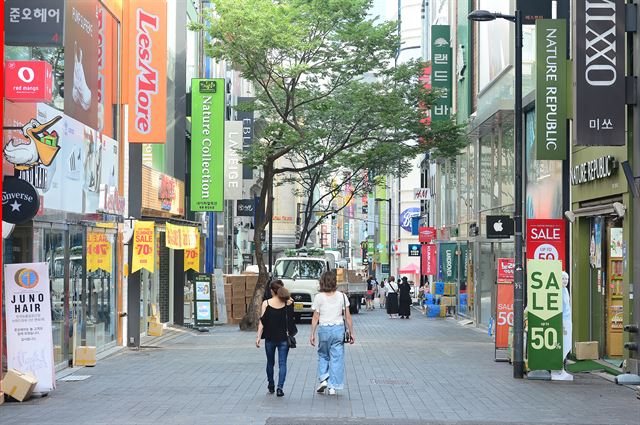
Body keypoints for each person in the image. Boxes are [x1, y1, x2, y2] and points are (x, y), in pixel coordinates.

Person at [310, 270, 355, 395]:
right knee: (337, 358)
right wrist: (351, 333)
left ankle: (324, 378)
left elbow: (315, 317)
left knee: (323, 354)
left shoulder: (319, 297)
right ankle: (332, 387)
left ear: (322, 282)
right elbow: (348, 316)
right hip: (338, 329)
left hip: (324, 329)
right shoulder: (342, 296)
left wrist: (312, 334)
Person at [256, 279, 297, 397]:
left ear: (272, 291)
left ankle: (271, 385)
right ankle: (280, 388)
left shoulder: (266, 303)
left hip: (269, 338)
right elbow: (291, 309)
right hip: (284, 338)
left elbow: (262, 322)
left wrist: (258, 336)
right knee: (282, 363)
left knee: (270, 363)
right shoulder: (288, 303)